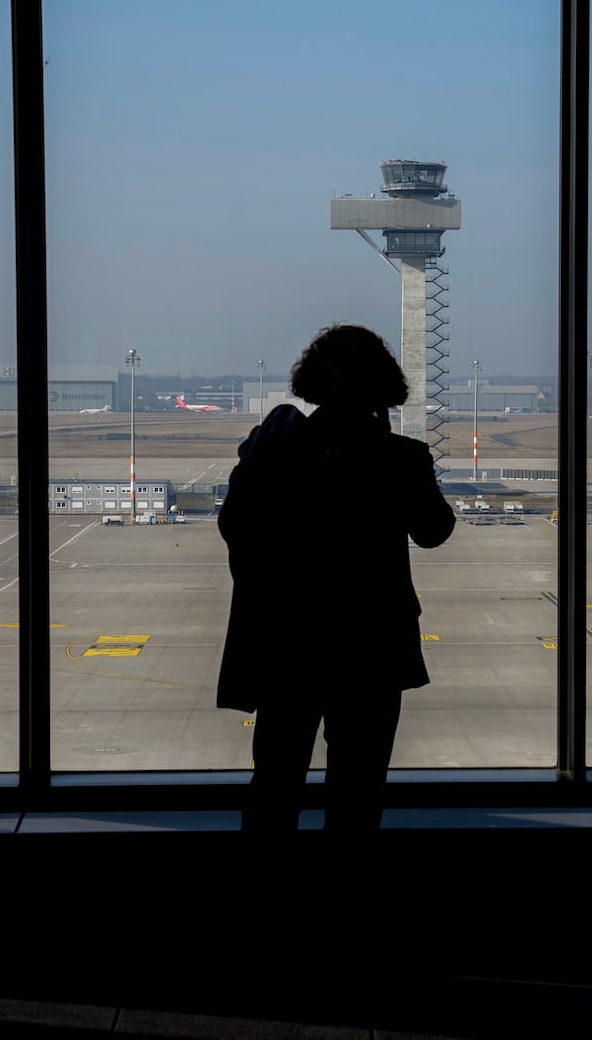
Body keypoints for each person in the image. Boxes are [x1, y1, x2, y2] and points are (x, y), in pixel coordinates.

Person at [216, 324, 456, 832]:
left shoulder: (273, 447)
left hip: (289, 642)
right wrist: (405, 462)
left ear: (314, 381)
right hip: (370, 647)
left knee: (276, 783)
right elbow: (435, 531)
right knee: (358, 791)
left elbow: (234, 526)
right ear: (384, 387)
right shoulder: (400, 458)